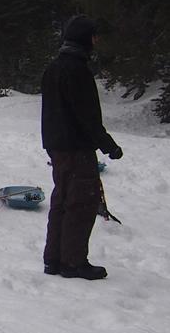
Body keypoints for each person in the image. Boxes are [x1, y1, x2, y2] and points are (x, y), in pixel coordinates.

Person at [41, 15, 123, 280]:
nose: (97, 41)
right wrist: (108, 145)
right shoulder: (77, 70)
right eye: (94, 36)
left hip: (58, 147)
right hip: (76, 147)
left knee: (62, 201)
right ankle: (73, 262)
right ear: (86, 39)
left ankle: (54, 259)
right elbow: (87, 115)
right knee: (81, 203)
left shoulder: (54, 67)